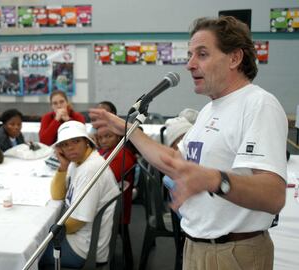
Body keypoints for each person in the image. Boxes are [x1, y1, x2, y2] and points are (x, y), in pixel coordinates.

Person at [90, 16, 287, 270]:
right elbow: (175, 162)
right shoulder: (209, 110)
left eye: (202, 54)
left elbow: (273, 195)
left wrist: (215, 180)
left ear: (235, 58)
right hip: (195, 247)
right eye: (190, 55)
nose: (190, 65)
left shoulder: (258, 104)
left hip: (234, 253)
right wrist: (127, 130)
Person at [39, 121, 119, 268]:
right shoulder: (77, 162)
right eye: (64, 144)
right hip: (81, 236)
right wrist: (63, 167)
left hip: (84, 246)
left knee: (35, 253)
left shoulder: (90, 169)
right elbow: (58, 195)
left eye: (76, 141)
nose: (70, 147)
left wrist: (44, 233)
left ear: (86, 142)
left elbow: (77, 222)